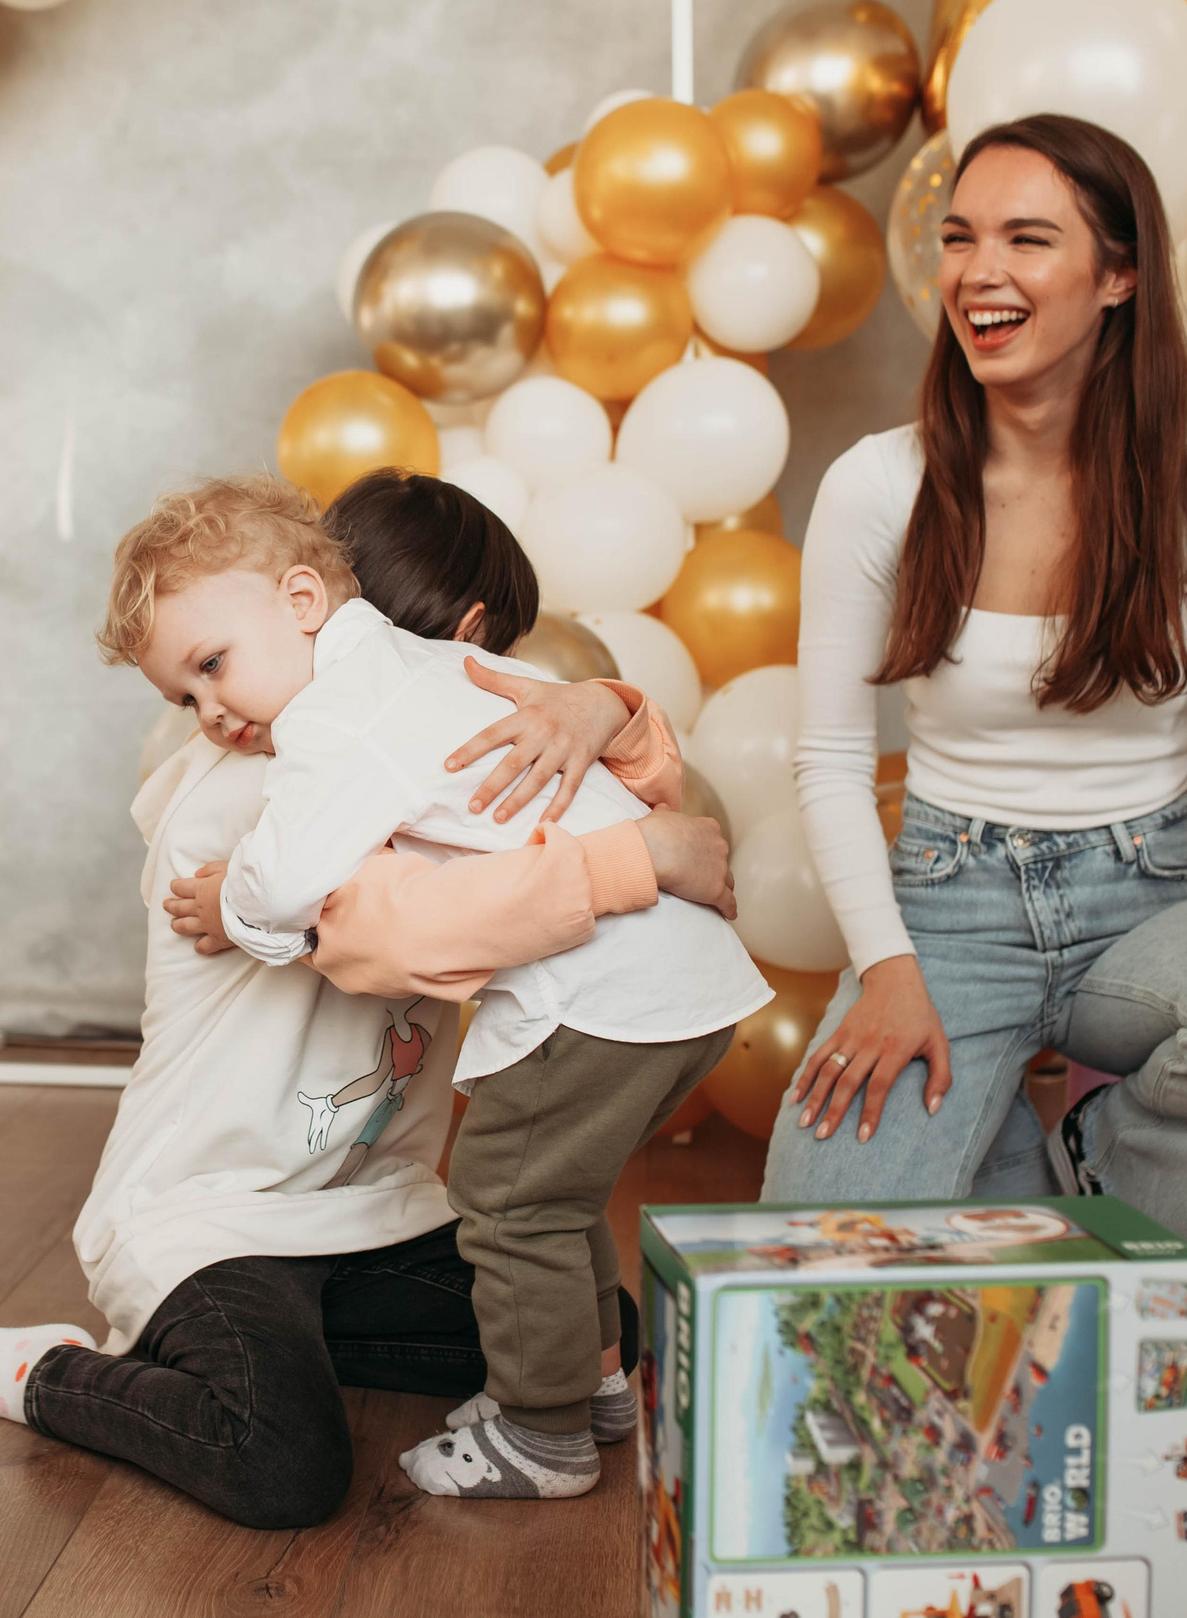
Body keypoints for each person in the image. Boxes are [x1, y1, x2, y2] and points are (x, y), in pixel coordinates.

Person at [0, 472, 732, 1528]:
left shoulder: (404, 724)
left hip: (366, 1212)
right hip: (214, 1218)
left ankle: (281, 1353)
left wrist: (609, 711)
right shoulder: (285, 778)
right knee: (284, 1464)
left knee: (585, 1325)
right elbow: (392, 923)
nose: (214, 713)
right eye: (192, 688)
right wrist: (643, 851)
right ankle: (44, 1374)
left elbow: (542, 794)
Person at [765, 113, 1187, 1249]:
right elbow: (826, 760)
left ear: (1117, 274)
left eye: (1027, 239)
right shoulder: (880, 483)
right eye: (960, 237)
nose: (979, 272)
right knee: (824, 1247)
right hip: (945, 906)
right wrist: (885, 970)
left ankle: (1083, 1183)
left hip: (1151, 885)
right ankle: (1004, 1155)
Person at [121, 475, 765, 1503]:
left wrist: (237, 909)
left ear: (303, 603)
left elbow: (292, 887)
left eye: (212, 669)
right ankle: (594, 1388)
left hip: (598, 999)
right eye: (184, 696)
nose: (211, 715)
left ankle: (540, 1437)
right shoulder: (448, 668)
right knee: (561, 1197)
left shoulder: (340, 719)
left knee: (510, 1207)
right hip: (688, 985)